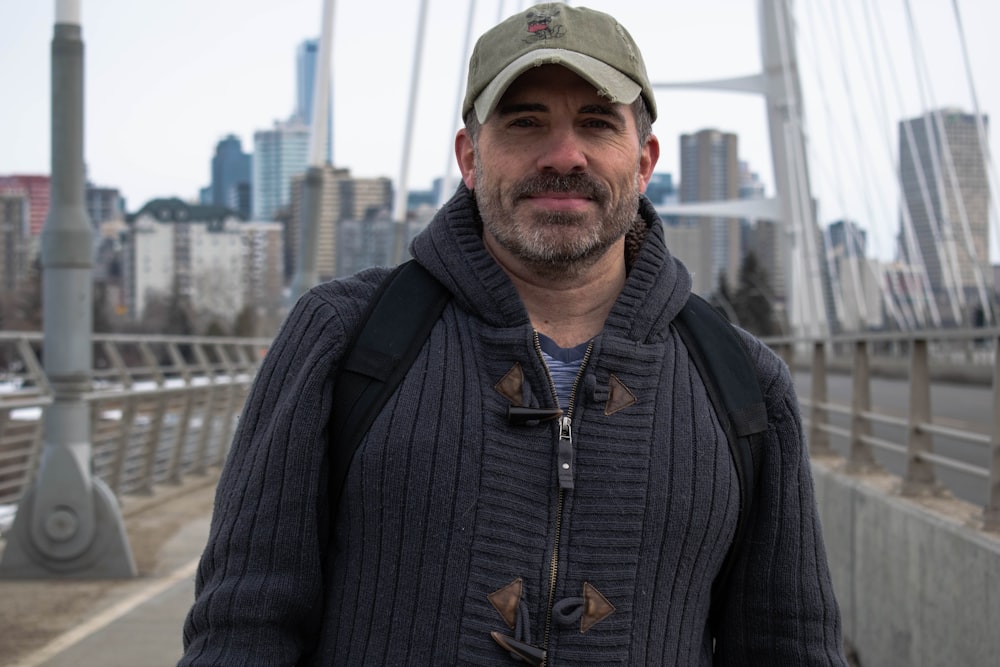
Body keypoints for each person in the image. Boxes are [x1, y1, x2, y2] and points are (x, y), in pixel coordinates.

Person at [180, 3, 848, 665]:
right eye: (525, 123)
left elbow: (789, 644)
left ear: (643, 162)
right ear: (470, 158)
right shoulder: (342, 338)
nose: (564, 156)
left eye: (595, 122)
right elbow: (242, 628)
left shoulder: (745, 383)